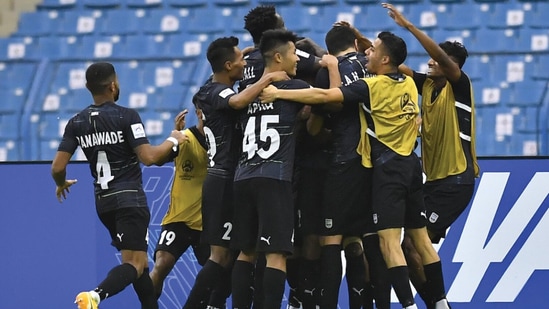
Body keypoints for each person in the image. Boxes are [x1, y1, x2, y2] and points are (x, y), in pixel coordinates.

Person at [259, 30, 451, 309]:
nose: (366, 53)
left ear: (384, 59)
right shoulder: (409, 83)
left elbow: (328, 97)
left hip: (375, 167)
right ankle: (439, 300)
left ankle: (405, 305)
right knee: (411, 239)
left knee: (373, 241)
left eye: (372, 51)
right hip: (407, 164)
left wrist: (278, 92)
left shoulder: (370, 86)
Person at [51, 62, 189, 309]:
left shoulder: (76, 122)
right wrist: (174, 138)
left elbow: (58, 168)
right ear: (113, 85)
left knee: (141, 268)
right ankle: (95, 296)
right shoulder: (127, 116)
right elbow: (150, 157)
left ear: (87, 87)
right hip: (130, 200)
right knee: (135, 264)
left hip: (104, 203)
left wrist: (61, 184)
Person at [230, 29, 336, 309]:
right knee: (276, 254)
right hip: (274, 179)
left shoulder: (250, 91)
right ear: (278, 57)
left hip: (243, 177)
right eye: (292, 53)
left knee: (246, 252)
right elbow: (328, 98)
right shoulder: (291, 87)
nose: (297, 59)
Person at [383, 2, 479, 308]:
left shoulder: (459, 86)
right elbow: (392, 65)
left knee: (415, 243)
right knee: (410, 248)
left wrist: (408, 26)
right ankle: (437, 303)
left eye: (440, 59)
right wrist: (365, 46)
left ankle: (439, 303)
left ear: (453, 67)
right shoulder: (427, 87)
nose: (431, 61)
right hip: (433, 182)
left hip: (455, 181)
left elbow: (438, 58)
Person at [182, 36, 289, 309]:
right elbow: (238, 102)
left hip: (225, 178)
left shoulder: (210, 88)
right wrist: (266, 80)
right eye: (240, 60)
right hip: (224, 180)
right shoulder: (218, 92)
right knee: (220, 257)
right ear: (228, 65)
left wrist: (246, 53)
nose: (245, 63)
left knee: (231, 255)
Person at [308, 24, 375, 309]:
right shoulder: (374, 65)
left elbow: (318, 123)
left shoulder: (328, 72)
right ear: (356, 44)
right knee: (365, 239)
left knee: (330, 239)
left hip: (343, 158)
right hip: (377, 160)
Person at [149, 109, 217, 306]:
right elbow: (159, 160)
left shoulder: (224, 140)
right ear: (198, 112)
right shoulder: (185, 137)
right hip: (179, 219)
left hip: (209, 222)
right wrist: (173, 139)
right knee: (161, 264)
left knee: (217, 272)